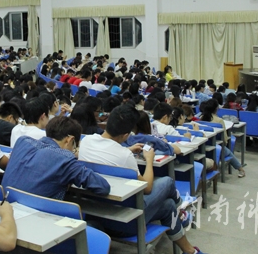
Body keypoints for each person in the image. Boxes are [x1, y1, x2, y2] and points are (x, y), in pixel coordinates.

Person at [79, 105, 204, 254]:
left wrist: (127, 149)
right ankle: (182, 211)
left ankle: (189, 250)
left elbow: (107, 154)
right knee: (167, 182)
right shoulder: (124, 156)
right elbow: (147, 188)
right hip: (127, 223)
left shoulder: (86, 141)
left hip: (96, 215)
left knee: (168, 205)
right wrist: (149, 160)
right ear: (126, 135)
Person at [2, 116, 110, 200]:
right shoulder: (65, 159)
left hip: (5, 205)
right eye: (74, 147)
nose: (73, 151)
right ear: (69, 140)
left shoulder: (22, 141)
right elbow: (103, 187)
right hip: (38, 215)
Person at [200, 99, 246, 177]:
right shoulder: (219, 121)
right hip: (216, 147)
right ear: (216, 108)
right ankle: (241, 169)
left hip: (203, 146)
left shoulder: (201, 118)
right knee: (228, 152)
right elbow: (224, 139)